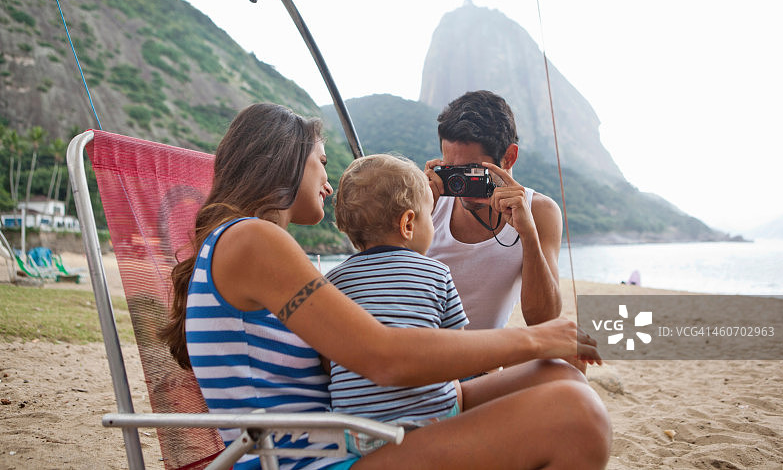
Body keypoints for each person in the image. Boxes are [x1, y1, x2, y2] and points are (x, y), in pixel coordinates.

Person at [161, 103, 611, 470]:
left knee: (560, 376)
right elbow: (384, 357)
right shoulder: (252, 241)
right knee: (578, 417)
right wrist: (537, 339)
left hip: (337, 439)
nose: (328, 184)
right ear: (286, 163)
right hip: (312, 461)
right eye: (322, 163)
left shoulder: (245, 243)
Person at [326, 154, 467, 455]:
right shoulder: (437, 273)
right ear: (408, 224)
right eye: (430, 216)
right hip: (431, 424)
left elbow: (328, 360)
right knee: (455, 383)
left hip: (356, 433)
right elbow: (457, 351)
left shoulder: (332, 281)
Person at [425, 90, 562, 330]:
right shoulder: (429, 202)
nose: (460, 184)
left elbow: (544, 320)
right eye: (451, 170)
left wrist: (528, 235)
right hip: (423, 343)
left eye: (472, 171)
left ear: (509, 157)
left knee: (567, 348)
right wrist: (420, 210)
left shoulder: (539, 211)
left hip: (485, 350)